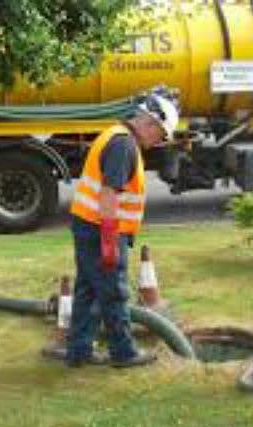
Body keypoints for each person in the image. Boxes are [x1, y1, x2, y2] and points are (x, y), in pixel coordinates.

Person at [66, 92, 179, 368]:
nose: (158, 142)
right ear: (151, 123)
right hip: (100, 229)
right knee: (113, 292)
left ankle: (79, 351)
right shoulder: (123, 146)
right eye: (161, 135)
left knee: (88, 290)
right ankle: (124, 353)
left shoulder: (116, 135)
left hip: (88, 224)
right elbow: (108, 193)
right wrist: (108, 241)